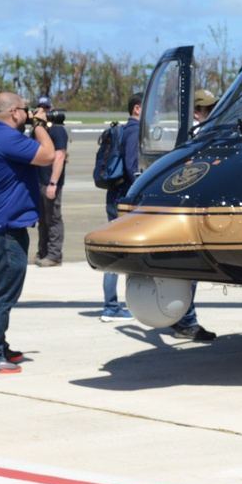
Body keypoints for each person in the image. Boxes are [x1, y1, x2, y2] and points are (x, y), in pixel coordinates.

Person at [0, 92, 55, 373]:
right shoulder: (5, 138)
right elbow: (47, 155)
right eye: (26, 109)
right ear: (14, 113)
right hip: (2, 232)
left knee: (0, 291)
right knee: (1, 294)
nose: (29, 113)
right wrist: (41, 126)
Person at [166, 89, 220, 342]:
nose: (213, 113)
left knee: (190, 271)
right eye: (208, 109)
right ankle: (184, 321)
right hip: (190, 210)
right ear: (197, 112)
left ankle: (181, 318)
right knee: (189, 269)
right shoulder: (200, 134)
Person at [100, 93, 142, 322]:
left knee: (113, 252)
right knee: (120, 254)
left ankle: (111, 305)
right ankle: (112, 306)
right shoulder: (135, 131)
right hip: (124, 199)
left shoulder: (124, 130)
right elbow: (132, 167)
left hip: (113, 195)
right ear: (137, 109)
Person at [34, 96, 68, 267]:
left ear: (51, 109)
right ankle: (43, 252)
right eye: (40, 108)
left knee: (53, 218)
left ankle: (54, 254)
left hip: (50, 181)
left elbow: (60, 156)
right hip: (39, 180)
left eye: (46, 108)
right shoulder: (38, 129)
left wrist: (53, 183)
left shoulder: (56, 130)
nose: (43, 111)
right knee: (42, 219)